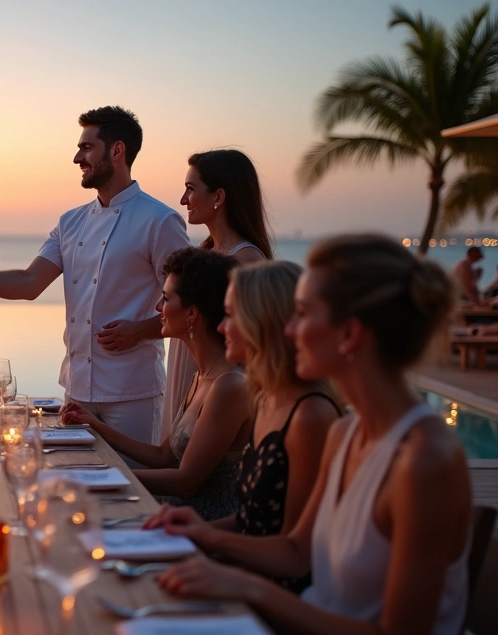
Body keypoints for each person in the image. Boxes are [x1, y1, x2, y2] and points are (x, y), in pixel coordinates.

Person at [149, 234, 471, 635]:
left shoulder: (425, 462)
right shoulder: (345, 432)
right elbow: (297, 551)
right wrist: (202, 534)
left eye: (301, 313)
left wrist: (247, 586)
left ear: (349, 334)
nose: (287, 329)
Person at [0, 106, 190, 445]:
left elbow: (191, 306)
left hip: (133, 393)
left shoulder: (159, 221)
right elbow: (29, 283)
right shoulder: (70, 222)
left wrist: (140, 331)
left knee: (130, 478)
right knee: (73, 469)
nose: (77, 158)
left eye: (87, 148)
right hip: (77, 389)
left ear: (117, 150)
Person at [150, 260, 341, 592]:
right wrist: (194, 533)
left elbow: (296, 553)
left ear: (262, 322)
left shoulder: (310, 415)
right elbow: (254, 519)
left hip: (278, 594)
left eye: (230, 315)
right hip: (244, 571)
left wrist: (206, 543)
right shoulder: (267, 399)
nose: (222, 327)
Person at [63, 248, 251, 520]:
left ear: (191, 313)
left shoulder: (228, 386)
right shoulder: (202, 376)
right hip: (170, 512)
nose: (158, 308)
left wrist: (100, 476)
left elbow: (186, 482)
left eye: (166, 298)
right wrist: (93, 424)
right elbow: (163, 456)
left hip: (199, 525)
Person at [161, 149, 271, 440]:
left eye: (190, 189)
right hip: (191, 379)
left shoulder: (247, 262)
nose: (183, 200)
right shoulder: (205, 253)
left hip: (217, 392)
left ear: (218, 196)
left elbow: (258, 348)